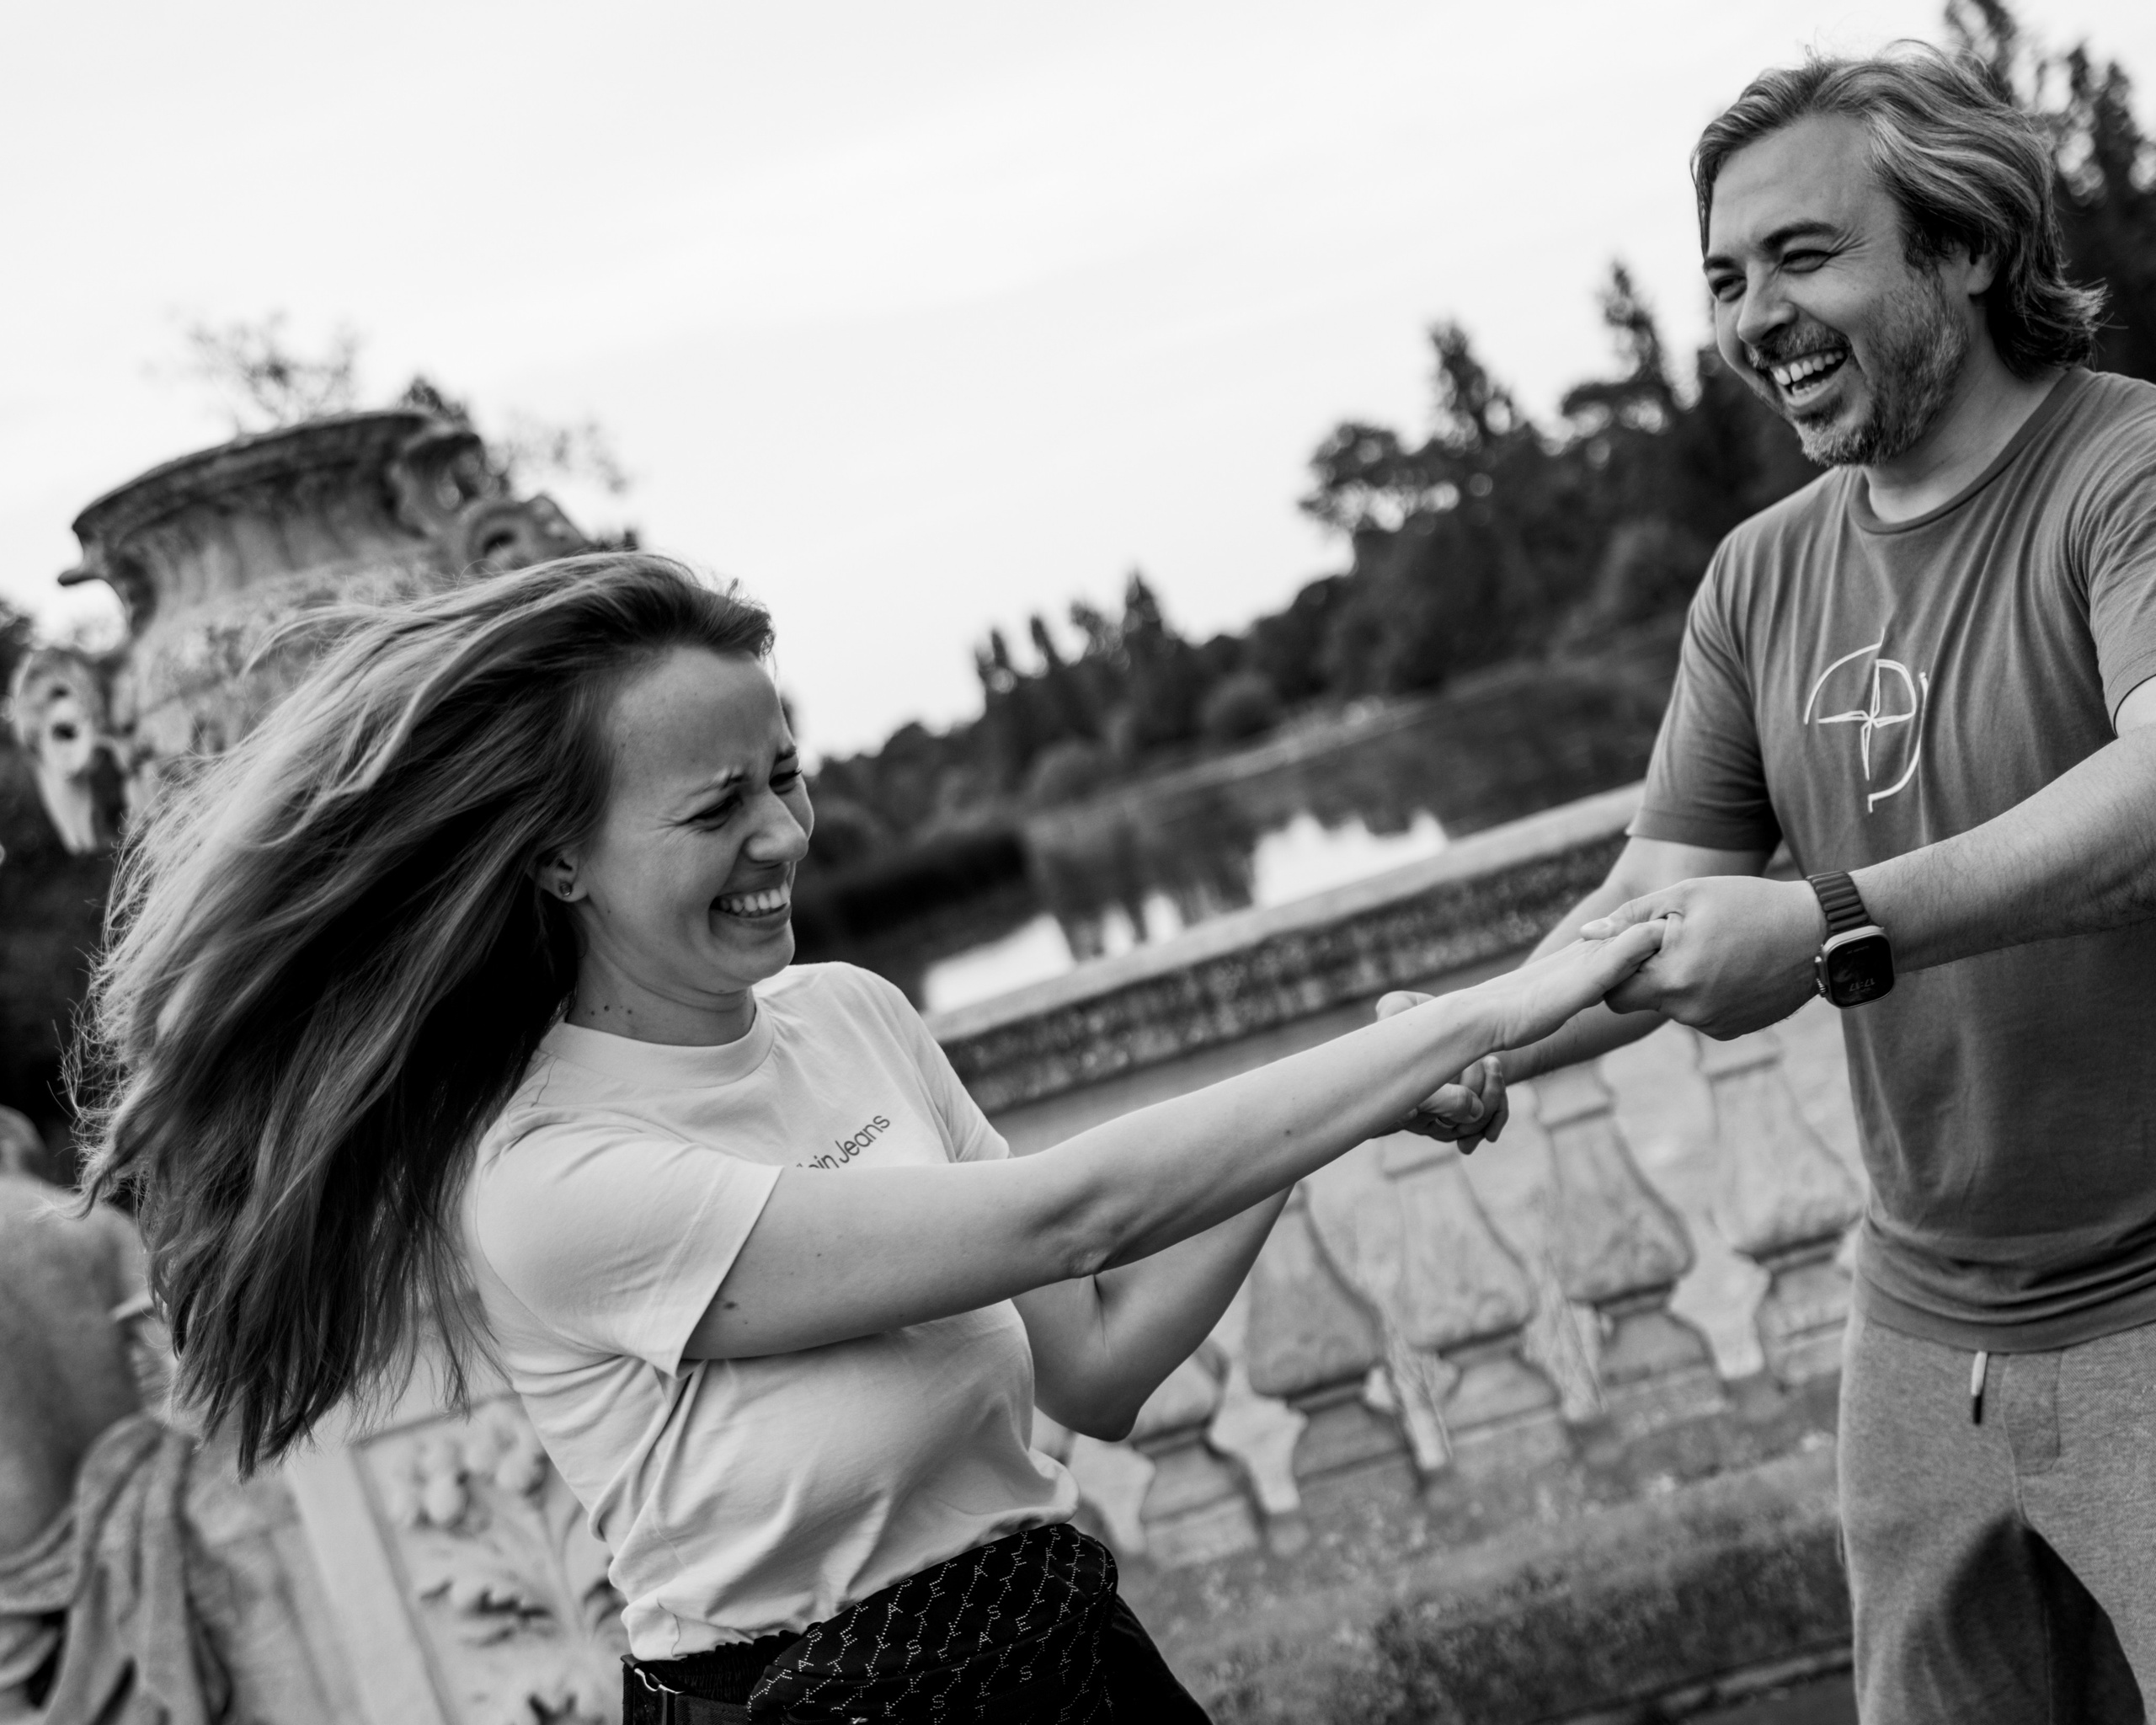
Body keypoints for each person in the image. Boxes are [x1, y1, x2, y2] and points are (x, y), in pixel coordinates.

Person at [75, 553, 1662, 1723]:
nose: (779, 837)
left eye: (785, 776)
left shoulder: (847, 1015)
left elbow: (1095, 1363)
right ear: (554, 862)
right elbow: (1067, 1219)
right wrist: (1466, 1022)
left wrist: (1357, 1094)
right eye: (714, 811)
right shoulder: (552, 1182)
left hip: (1062, 1659)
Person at [1391, 45, 2156, 1722]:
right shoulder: (1756, 577)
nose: (1754, 317)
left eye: (1802, 257)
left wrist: (1826, 919)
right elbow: (1655, 890)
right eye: (1725, 277)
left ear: (1961, 247)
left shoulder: (2125, 474)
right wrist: (1471, 1041)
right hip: (1919, 1331)